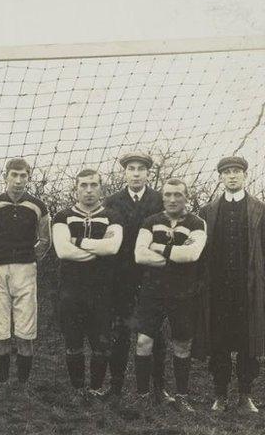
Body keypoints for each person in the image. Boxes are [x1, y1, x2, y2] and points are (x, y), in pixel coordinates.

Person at [195, 156, 263, 413]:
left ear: (245, 175)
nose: (232, 176)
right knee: (219, 341)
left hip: (249, 289)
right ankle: (220, 395)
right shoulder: (208, 211)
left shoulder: (259, 210)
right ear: (221, 178)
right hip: (218, 290)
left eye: (236, 172)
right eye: (227, 172)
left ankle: (245, 395)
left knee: (248, 342)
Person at [134, 179, 206, 412]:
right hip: (152, 291)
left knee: (181, 344)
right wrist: (173, 256)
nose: (173, 199)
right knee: (144, 341)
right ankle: (143, 395)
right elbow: (139, 255)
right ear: (162, 197)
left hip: (183, 293)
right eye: (168, 195)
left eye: (178, 195)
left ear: (186, 196)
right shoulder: (151, 222)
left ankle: (182, 396)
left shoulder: (197, 223)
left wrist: (158, 247)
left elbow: (191, 255)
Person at [51, 169, 123, 403]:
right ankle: (77, 389)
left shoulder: (113, 216)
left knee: (101, 342)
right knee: (73, 342)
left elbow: (112, 248)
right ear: (76, 188)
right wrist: (95, 251)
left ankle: (95, 388)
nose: (89, 190)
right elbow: (62, 250)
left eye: (94, 185)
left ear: (101, 188)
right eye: (84, 185)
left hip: (103, 290)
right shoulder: (62, 216)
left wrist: (78, 242)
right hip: (71, 290)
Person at [0, 158, 51, 398]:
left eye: (24, 176)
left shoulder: (38, 206)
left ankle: (22, 386)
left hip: (25, 269)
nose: (19, 181)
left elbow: (45, 240)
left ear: (28, 178)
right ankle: (2, 385)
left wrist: (30, 259)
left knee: (25, 329)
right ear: (6, 177)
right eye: (15, 175)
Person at [103, 152, 165, 404]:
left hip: (152, 274)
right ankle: (115, 386)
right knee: (120, 331)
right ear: (125, 172)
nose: (136, 173)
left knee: (155, 332)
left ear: (148, 173)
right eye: (131, 168)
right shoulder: (112, 201)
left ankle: (158, 387)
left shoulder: (160, 200)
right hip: (121, 275)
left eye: (141, 169)